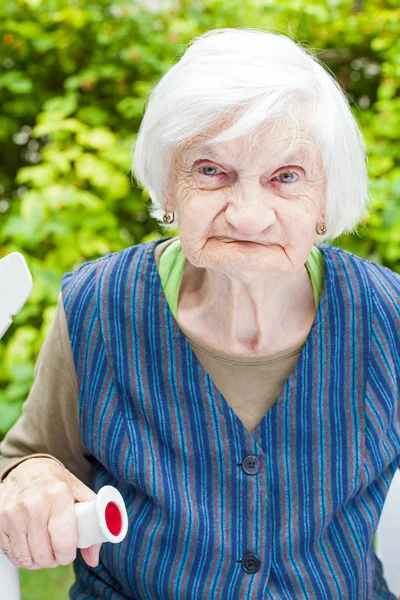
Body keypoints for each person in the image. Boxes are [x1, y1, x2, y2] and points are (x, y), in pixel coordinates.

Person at [0, 27, 399, 599]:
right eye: (212, 170)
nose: (249, 215)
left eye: (286, 178)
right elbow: (25, 458)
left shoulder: (388, 315)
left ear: (326, 198)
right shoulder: (100, 304)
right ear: (169, 184)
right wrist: (28, 478)